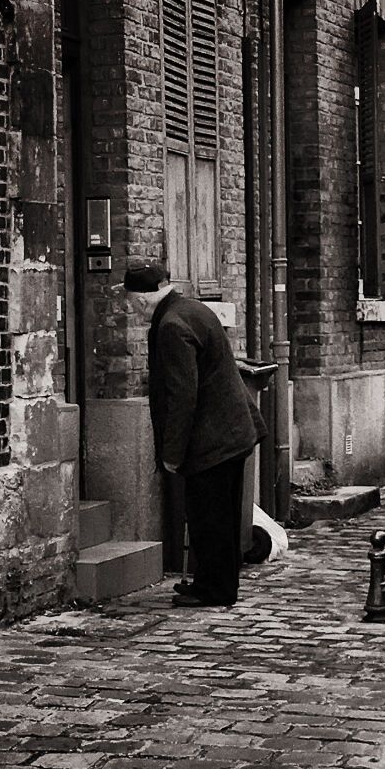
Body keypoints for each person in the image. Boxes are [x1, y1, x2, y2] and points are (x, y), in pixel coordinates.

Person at [122, 260, 267, 608]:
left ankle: (214, 590)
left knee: (208, 517)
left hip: (212, 438)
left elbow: (182, 395)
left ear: (145, 298)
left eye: (132, 300)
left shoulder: (172, 325)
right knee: (224, 517)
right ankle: (212, 582)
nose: (132, 308)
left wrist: (172, 453)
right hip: (231, 431)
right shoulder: (192, 309)